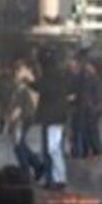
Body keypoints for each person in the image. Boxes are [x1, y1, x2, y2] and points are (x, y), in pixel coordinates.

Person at [35, 49, 69, 190]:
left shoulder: (50, 76)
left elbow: (43, 89)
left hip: (53, 117)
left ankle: (59, 178)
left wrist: (29, 82)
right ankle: (52, 179)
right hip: (55, 117)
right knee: (51, 149)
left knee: (52, 149)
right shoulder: (58, 75)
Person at [6, 59, 42, 180]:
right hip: (25, 116)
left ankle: (28, 170)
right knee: (20, 143)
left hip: (22, 117)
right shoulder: (24, 81)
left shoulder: (26, 81)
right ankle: (35, 165)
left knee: (18, 144)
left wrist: (13, 117)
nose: (17, 72)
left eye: (19, 69)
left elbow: (21, 102)